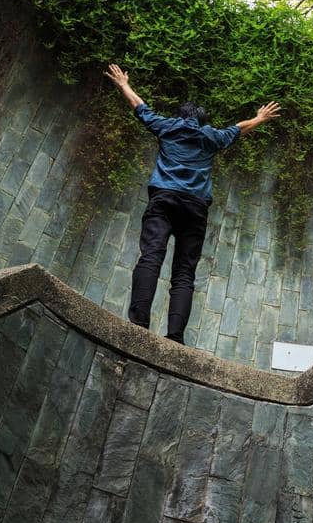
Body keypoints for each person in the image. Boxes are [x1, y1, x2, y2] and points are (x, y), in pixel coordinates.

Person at [104, 63, 280, 344]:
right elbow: (238, 128)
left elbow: (141, 108)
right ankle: (175, 338)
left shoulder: (167, 127)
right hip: (195, 208)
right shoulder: (211, 136)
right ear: (201, 119)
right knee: (184, 273)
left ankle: (138, 323)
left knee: (151, 256)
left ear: (180, 115)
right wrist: (260, 117)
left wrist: (124, 84)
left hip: (163, 200)